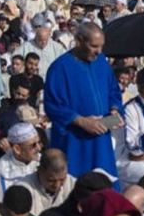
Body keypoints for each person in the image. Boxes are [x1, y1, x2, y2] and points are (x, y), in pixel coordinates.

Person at [43, 21, 119, 179]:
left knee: (104, 183)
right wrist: (82, 121)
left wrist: (114, 110)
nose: (99, 51)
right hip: (75, 141)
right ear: (79, 40)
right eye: (94, 46)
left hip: (101, 140)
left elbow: (113, 91)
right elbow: (53, 105)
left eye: (101, 46)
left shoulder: (102, 62)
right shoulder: (60, 68)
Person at [0, 122, 41, 199]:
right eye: (33, 145)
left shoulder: (43, 162)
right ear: (17, 149)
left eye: (39, 143)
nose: (39, 148)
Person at [14, 147, 75, 216]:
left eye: (62, 180)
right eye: (51, 180)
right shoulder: (23, 189)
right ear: (39, 170)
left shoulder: (74, 186)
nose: (57, 185)